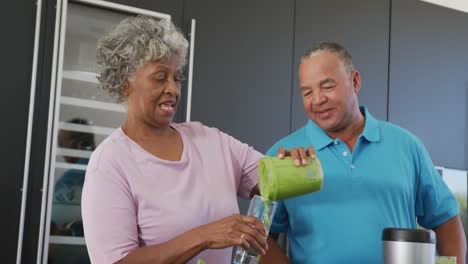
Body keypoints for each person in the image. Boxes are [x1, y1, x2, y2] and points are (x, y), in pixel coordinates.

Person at [81, 16, 271, 263]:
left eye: (177, 77)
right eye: (161, 77)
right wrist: (204, 236)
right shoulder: (109, 163)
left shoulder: (209, 140)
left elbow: (272, 179)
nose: (173, 88)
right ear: (125, 83)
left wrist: (292, 163)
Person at [261, 42, 467, 264]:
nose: (317, 99)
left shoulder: (407, 146)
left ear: (355, 81)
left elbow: (446, 219)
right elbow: (258, 236)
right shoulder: (283, 156)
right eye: (307, 92)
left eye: (327, 86)